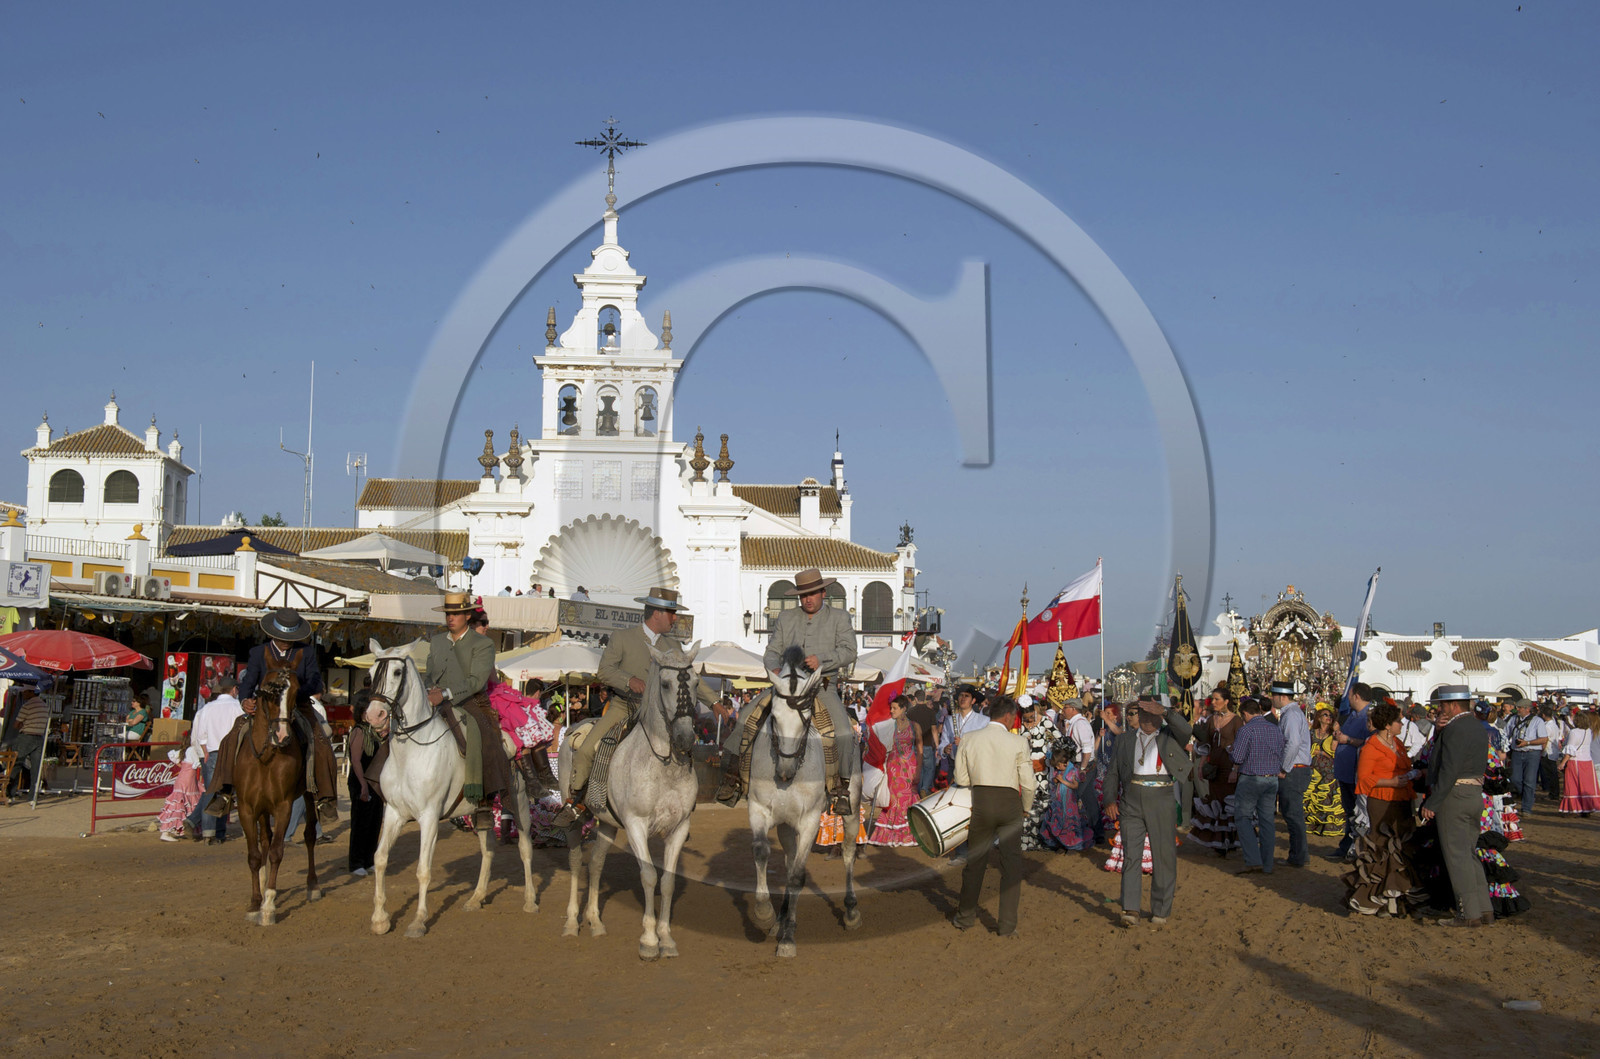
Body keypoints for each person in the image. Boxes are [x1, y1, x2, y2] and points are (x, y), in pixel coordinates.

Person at [560, 588, 713, 825]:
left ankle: (680, 804)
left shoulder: (673, 644)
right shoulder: (622, 637)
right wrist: (629, 680)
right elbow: (605, 671)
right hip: (624, 707)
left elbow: (689, 678)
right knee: (587, 749)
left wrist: (713, 701)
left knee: (684, 748)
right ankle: (576, 801)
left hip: (659, 714)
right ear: (657, 613)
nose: (675, 618)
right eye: (672, 613)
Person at [718, 569, 857, 816]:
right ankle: (733, 779)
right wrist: (773, 668)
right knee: (746, 717)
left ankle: (841, 788)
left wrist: (823, 660)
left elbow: (849, 651)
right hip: (785, 687)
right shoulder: (786, 617)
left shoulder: (839, 617)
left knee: (844, 733)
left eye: (812, 593)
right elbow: (772, 650)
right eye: (803, 595)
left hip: (821, 688)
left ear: (823, 592)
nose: (808, 599)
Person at [205, 609, 338, 826]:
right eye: (283, 639)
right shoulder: (259, 652)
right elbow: (249, 681)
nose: (286, 643)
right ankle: (225, 792)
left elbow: (315, 681)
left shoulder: (307, 652)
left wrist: (294, 693)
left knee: (321, 741)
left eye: (290, 639)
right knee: (231, 738)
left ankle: (324, 798)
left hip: (298, 705)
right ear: (273, 634)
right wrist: (245, 700)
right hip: (264, 708)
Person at [415, 591, 512, 829]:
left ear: (467, 615)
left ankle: (484, 801)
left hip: (471, 701)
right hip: (435, 700)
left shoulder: (483, 643)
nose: (451, 618)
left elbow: (476, 681)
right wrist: (428, 689)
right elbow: (428, 673)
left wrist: (446, 693)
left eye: (456, 614)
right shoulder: (436, 642)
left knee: (484, 734)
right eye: (448, 614)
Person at [1103, 695, 1194, 927]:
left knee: (1163, 855)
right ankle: (1130, 909)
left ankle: (1160, 910)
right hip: (1131, 799)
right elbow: (1112, 771)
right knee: (1131, 856)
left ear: (1158, 715)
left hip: (1161, 798)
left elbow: (1186, 728)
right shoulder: (1125, 739)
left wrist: (1166, 712)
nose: (1145, 718)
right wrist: (1110, 799)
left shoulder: (1169, 735)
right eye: (1140, 713)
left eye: (1151, 713)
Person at [950, 695, 1032, 937]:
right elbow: (1028, 784)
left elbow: (962, 779)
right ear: (1008, 717)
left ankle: (965, 917)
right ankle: (1007, 925)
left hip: (981, 803)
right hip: (1009, 804)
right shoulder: (1018, 742)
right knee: (1011, 866)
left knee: (975, 864)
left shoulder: (969, 738)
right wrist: (1026, 808)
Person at [1418, 685, 1492, 927]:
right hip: (1474, 792)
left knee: (1457, 857)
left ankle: (1468, 913)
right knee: (1469, 854)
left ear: (1452, 705)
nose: (1439, 709)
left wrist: (1433, 802)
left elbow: (1448, 769)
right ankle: (1484, 909)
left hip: (1454, 795)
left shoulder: (1455, 729)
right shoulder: (1477, 727)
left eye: (1442, 704)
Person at [1341, 701, 1424, 917]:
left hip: (1403, 800)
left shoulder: (1396, 743)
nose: (1401, 725)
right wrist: (1393, 782)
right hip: (1381, 801)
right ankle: (1377, 898)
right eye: (1398, 721)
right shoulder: (1371, 747)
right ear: (1387, 724)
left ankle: (1399, 899)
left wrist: (1413, 775)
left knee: (1403, 847)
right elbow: (1364, 779)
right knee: (1382, 847)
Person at [1230, 696, 1286, 875]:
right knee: (1267, 820)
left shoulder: (1246, 731)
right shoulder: (1275, 729)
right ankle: (1267, 864)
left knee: (1243, 817)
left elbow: (1238, 758)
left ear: (1245, 713)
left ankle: (1254, 859)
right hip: (1271, 778)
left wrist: (1230, 751)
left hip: (1251, 778)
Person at [186, 676, 244, 844]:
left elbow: (201, 735)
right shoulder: (237, 707)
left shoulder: (208, 708)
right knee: (229, 792)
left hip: (212, 752)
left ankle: (208, 833)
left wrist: (205, 752)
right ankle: (220, 832)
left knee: (212, 792)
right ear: (234, 690)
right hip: (233, 753)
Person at [1331, 683, 1376, 860]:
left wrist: (1347, 739)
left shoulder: (1368, 717)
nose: (1347, 698)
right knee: (1349, 811)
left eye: (1349, 695)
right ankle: (1347, 845)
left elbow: (1369, 742)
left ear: (1356, 696)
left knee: (1356, 813)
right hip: (1345, 771)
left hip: (1356, 773)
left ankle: (1353, 847)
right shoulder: (1352, 716)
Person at [1270, 681, 1312, 867]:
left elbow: (1293, 743)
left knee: (1293, 815)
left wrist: (1283, 768)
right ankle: (1299, 854)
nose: (1272, 699)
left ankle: (1298, 856)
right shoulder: (1292, 713)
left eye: (1273, 696)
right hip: (1296, 769)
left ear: (1281, 696)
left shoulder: (1291, 715)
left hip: (1294, 770)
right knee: (1292, 814)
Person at [868, 695, 920, 847]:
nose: (891, 711)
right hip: (893, 767)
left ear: (904, 709)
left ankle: (907, 834)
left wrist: (919, 771)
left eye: (894, 708)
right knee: (894, 799)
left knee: (907, 797)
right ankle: (892, 834)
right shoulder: (888, 726)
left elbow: (920, 750)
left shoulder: (915, 726)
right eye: (891, 708)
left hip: (910, 767)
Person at [347, 691, 386, 876]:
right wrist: (362, 785)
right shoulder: (359, 731)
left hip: (375, 783)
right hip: (361, 781)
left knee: (374, 822)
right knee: (360, 823)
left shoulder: (374, 733)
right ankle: (356, 862)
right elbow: (356, 760)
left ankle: (369, 859)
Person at [1039, 738, 1093, 851]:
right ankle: (1060, 843)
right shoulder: (1058, 771)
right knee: (1058, 822)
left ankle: (1072, 845)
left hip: (1069, 804)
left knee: (1069, 825)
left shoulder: (1073, 771)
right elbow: (1054, 782)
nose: (1057, 768)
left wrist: (1062, 781)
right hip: (1058, 802)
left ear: (1064, 763)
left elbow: (1075, 786)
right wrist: (1056, 780)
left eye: (1058, 766)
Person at [1059, 695, 1100, 843]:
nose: (1063, 709)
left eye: (1065, 707)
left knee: (1073, 798)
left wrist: (1082, 768)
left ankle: (1074, 835)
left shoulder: (1080, 724)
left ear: (1073, 709)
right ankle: (1097, 832)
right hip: (1083, 765)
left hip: (1084, 766)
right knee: (1089, 799)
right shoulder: (1075, 723)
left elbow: (1087, 749)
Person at [937, 684, 991, 790]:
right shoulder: (949, 720)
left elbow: (985, 747)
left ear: (973, 700)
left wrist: (965, 743)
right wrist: (944, 749)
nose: (963, 698)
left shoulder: (983, 721)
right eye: (961, 695)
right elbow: (942, 743)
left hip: (973, 766)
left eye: (967, 696)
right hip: (953, 765)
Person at [1018, 701, 1055, 850]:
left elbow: (1057, 739)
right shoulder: (1017, 725)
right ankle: (1026, 840)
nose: (1029, 720)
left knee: (1042, 803)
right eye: (1025, 718)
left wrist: (1049, 758)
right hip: (1024, 770)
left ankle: (1043, 838)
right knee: (1026, 803)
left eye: (1031, 716)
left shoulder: (1045, 721)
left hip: (1042, 771)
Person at [3, 687, 51, 799]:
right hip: (39, 738)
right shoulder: (45, 706)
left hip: (26, 737)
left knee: (16, 764)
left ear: (31, 692)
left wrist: (23, 725)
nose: (23, 694)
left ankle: (10, 793)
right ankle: (33, 796)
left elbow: (16, 724)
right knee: (35, 768)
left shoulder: (27, 705)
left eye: (25, 692)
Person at [1305, 706, 1346, 837]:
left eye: (1330, 716)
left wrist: (1321, 751)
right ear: (1319, 718)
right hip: (1313, 770)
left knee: (1327, 798)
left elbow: (1333, 751)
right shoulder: (1311, 733)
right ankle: (1312, 824)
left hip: (1329, 772)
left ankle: (1328, 825)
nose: (1328, 717)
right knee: (1312, 796)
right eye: (1325, 715)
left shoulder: (1332, 734)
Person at [1504, 694, 1547, 815]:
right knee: (1515, 779)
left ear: (1527, 709)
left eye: (1520, 707)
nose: (1517, 709)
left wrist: (1527, 742)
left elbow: (1544, 739)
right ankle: (1526, 795)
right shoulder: (1513, 719)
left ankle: (1527, 807)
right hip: (1517, 753)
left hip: (1532, 753)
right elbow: (1506, 734)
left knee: (1529, 780)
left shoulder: (1537, 721)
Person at [1558, 710, 1600, 816]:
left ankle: (1574, 807)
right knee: (1587, 786)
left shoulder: (1575, 732)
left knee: (1573, 786)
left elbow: (1571, 749)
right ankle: (1587, 807)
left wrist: (1562, 763)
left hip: (1576, 761)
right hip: (1588, 761)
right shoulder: (1588, 731)